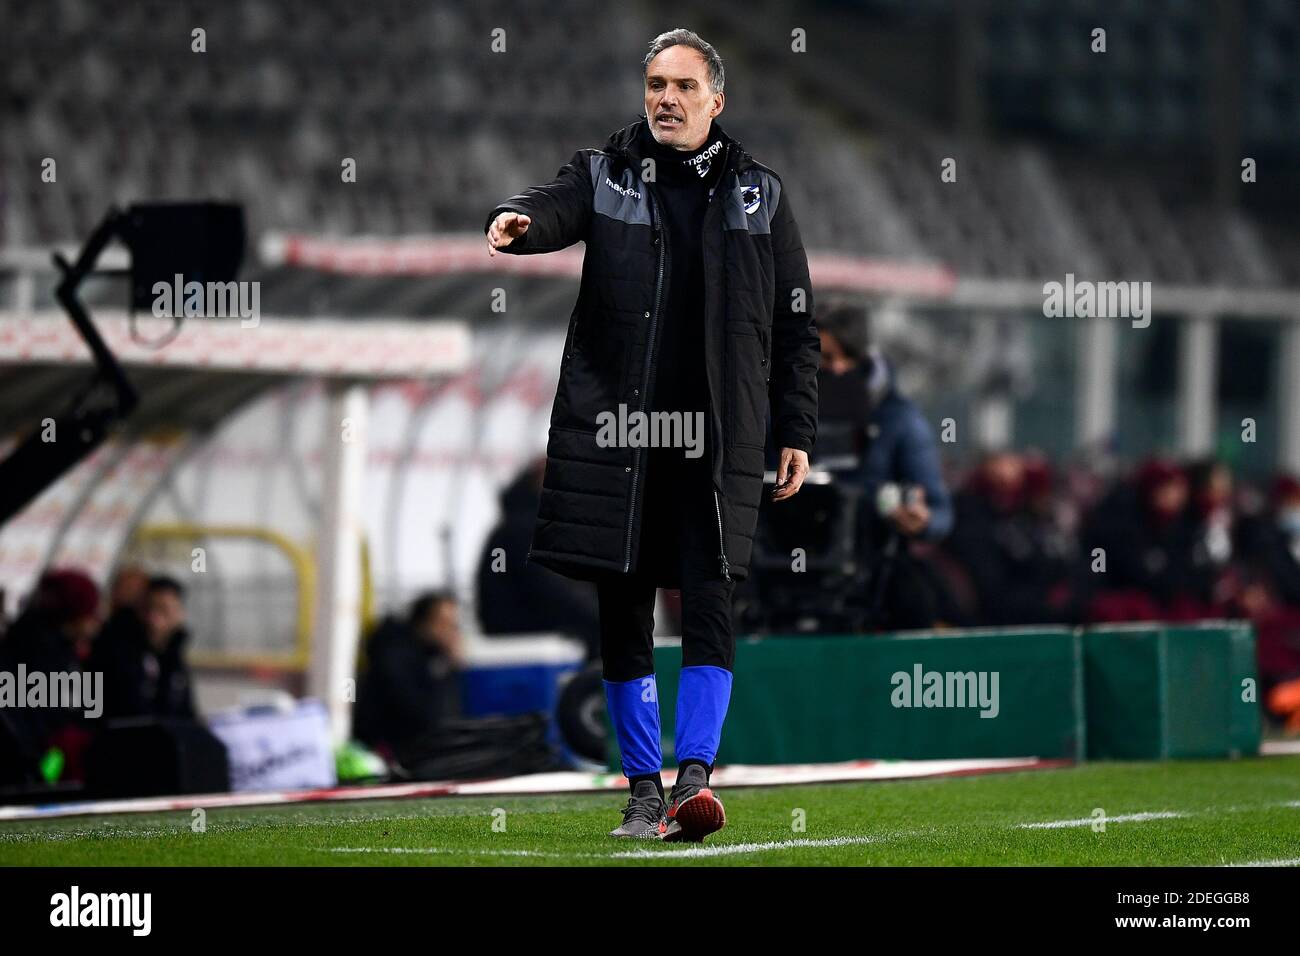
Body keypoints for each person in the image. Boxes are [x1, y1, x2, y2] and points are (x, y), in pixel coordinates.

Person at [484, 28, 818, 841]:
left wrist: (794, 428)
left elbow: (795, 324)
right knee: (623, 607)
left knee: (711, 600)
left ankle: (694, 779)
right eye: (655, 85)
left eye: (682, 86)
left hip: (717, 441)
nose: (665, 99)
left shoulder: (759, 196)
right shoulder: (604, 173)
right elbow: (555, 205)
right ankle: (641, 788)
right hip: (622, 435)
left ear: (716, 101)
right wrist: (520, 219)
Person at [815, 299, 953, 628]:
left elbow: (940, 511)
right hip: (792, 571)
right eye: (823, 357)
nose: (836, 369)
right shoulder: (778, 411)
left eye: (846, 357)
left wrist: (919, 520)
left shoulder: (899, 419)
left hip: (873, 572)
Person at [353, 592, 464, 754]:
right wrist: (449, 668)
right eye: (444, 623)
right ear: (425, 622)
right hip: (388, 748)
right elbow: (424, 716)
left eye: (454, 625)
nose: (451, 631)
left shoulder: (432, 655)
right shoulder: (396, 655)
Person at [88, 574, 196, 721]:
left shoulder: (175, 658)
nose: (153, 618)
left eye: (163, 610)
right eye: (148, 608)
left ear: (179, 614)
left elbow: (187, 712)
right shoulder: (119, 653)